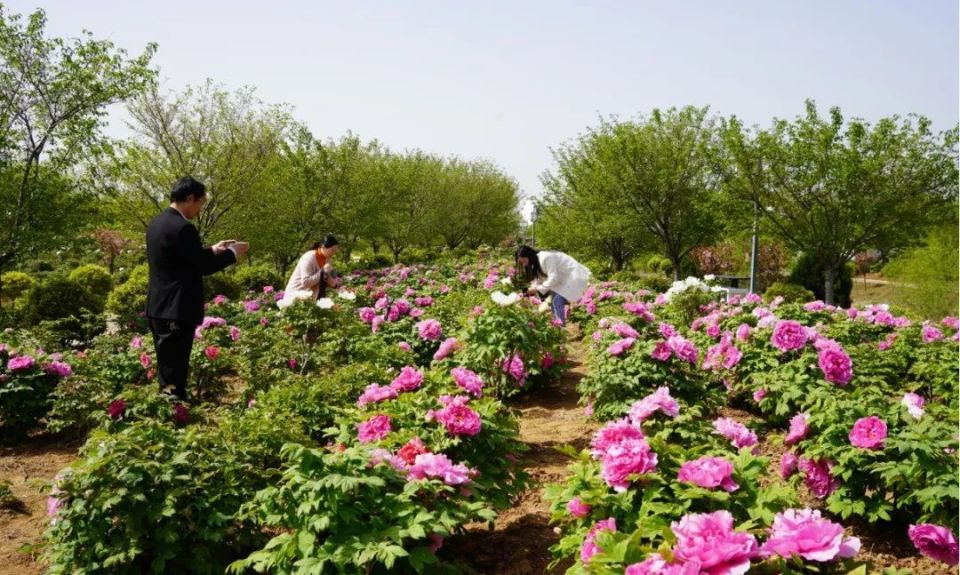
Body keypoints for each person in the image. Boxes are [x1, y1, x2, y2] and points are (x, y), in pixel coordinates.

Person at [146, 176, 248, 399]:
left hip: (159, 305)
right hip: (176, 308)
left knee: (168, 363)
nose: (200, 210)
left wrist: (212, 249)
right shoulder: (183, 228)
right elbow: (201, 267)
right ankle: (175, 410)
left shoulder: (157, 223)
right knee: (176, 363)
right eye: (200, 203)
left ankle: (172, 404)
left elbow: (182, 257)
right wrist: (232, 254)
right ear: (190, 198)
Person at [515, 245, 591, 325]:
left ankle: (560, 327)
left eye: (524, 262)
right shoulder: (534, 262)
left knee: (556, 301)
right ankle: (558, 325)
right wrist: (531, 288)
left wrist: (536, 288)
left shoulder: (546, 257)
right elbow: (538, 279)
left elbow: (553, 278)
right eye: (521, 263)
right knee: (554, 302)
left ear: (529, 256)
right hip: (561, 280)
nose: (524, 265)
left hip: (572, 275)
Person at [277, 235, 340, 308]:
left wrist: (335, 285)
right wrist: (322, 271)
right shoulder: (309, 257)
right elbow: (306, 282)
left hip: (310, 299)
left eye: (335, 250)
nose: (334, 253)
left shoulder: (327, 259)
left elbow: (326, 278)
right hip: (296, 297)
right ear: (323, 246)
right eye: (332, 250)